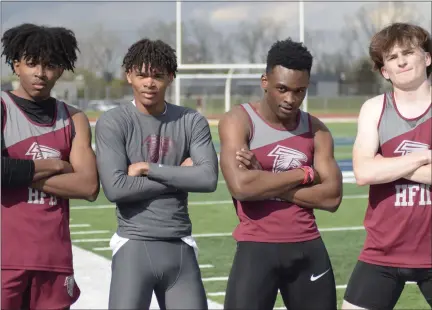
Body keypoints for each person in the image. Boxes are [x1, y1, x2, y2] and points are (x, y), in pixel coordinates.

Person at [218, 38, 343, 310]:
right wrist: (304, 173)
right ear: (265, 81)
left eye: (300, 91)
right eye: (282, 89)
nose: (291, 99)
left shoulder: (317, 130)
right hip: (256, 249)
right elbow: (241, 187)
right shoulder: (238, 121)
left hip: (308, 249)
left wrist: (263, 179)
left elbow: (332, 198)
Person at [95, 38, 218, 310]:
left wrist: (148, 169)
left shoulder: (191, 120)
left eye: (158, 76)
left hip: (180, 244)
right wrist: (178, 178)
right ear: (129, 76)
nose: (149, 83)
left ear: (170, 77)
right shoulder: (113, 121)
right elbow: (115, 188)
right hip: (134, 244)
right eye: (142, 75)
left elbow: (208, 179)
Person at [1, 23, 99, 309]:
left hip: (54, 258)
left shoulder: (74, 118)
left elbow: (89, 186)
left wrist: (14, 172)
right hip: (5, 259)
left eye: (50, 65)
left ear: (61, 69)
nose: (40, 74)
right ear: (15, 65)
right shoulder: (3, 107)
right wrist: (56, 164)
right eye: (31, 64)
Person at [342, 22, 432, 310]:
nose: (402, 61)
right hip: (383, 250)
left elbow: (374, 168)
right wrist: (422, 156)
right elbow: (364, 172)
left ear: (427, 58)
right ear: (385, 71)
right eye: (392, 58)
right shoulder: (374, 108)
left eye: (408, 52)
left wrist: (385, 163)